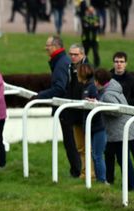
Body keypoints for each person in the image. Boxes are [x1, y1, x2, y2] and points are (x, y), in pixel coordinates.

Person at [36, 36, 79, 178]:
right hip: (68, 108)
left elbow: (59, 88)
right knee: (72, 142)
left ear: (55, 46)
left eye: (48, 45)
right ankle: (78, 170)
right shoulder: (62, 61)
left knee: (70, 142)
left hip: (65, 109)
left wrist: (39, 96)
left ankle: (77, 171)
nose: (46, 48)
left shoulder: (61, 63)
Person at [94, 68, 134, 190]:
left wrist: (100, 106)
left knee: (124, 160)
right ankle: (110, 181)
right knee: (110, 154)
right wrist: (98, 103)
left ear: (98, 82)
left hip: (119, 132)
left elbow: (116, 111)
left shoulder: (107, 94)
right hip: (119, 131)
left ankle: (131, 187)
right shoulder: (112, 86)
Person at [111, 51, 134, 185]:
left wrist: (123, 102)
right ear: (113, 63)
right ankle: (109, 179)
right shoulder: (109, 78)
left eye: (121, 62)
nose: (119, 64)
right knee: (110, 151)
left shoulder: (132, 79)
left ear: (126, 63)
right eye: (116, 61)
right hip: (112, 121)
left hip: (129, 119)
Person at [78, 63, 107, 183]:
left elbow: (98, 103)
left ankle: (102, 181)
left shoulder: (91, 86)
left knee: (97, 155)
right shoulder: (86, 86)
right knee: (95, 155)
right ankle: (99, 180)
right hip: (90, 126)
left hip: (98, 126)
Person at [64, 43, 89, 179]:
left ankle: (90, 174)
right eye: (71, 54)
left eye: (76, 54)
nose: (73, 57)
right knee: (80, 147)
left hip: (86, 115)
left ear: (83, 55)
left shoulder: (87, 69)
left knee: (88, 148)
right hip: (75, 114)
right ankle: (85, 173)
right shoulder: (71, 68)